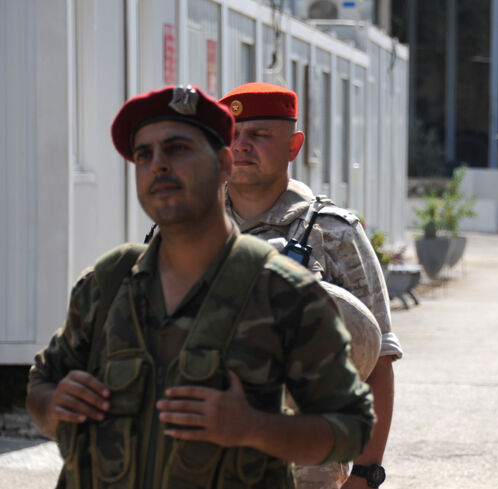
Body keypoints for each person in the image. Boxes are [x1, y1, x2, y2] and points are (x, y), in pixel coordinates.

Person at [25, 85, 374, 489]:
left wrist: (255, 429)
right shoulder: (108, 281)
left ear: (223, 164)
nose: (158, 166)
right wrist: (54, 406)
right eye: (144, 155)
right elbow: (42, 384)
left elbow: (347, 425)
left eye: (178, 149)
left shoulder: (284, 292)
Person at [218, 82, 401, 489]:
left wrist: (367, 472)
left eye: (260, 135)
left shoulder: (332, 233)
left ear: (293, 145)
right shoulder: (189, 229)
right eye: (233, 135)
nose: (242, 146)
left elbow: (379, 356)